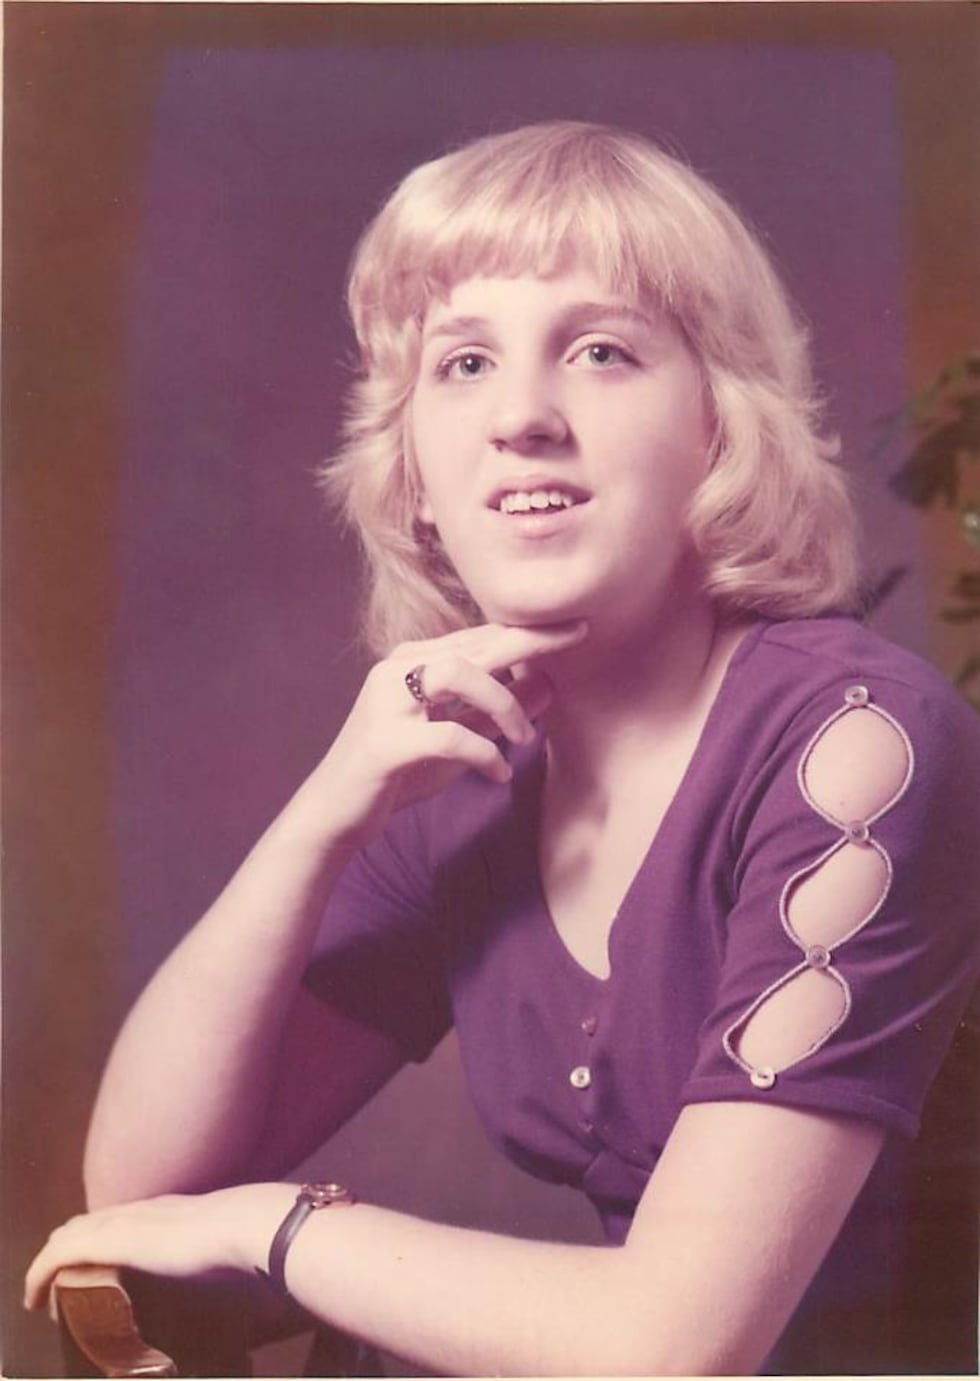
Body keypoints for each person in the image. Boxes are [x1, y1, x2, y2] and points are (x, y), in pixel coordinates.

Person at [25, 121, 980, 1376]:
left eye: (600, 351)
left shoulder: (858, 742)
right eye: (463, 362)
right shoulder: (462, 780)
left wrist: (280, 1227)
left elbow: (672, 1344)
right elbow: (143, 1182)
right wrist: (327, 809)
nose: (521, 416)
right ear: (415, 470)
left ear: (719, 427)